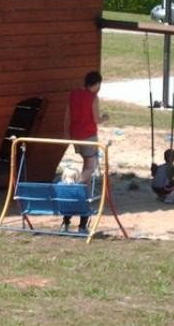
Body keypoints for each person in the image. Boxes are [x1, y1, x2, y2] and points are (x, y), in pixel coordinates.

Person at [63, 71, 109, 232]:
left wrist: (66, 132)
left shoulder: (74, 94)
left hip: (75, 134)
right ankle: (76, 186)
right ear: (96, 84)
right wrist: (105, 117)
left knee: (86, 165)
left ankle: (84, 198)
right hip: (88, 135)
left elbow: (67, 114)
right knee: (91, 166)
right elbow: (96, 119)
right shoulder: (93, 98)